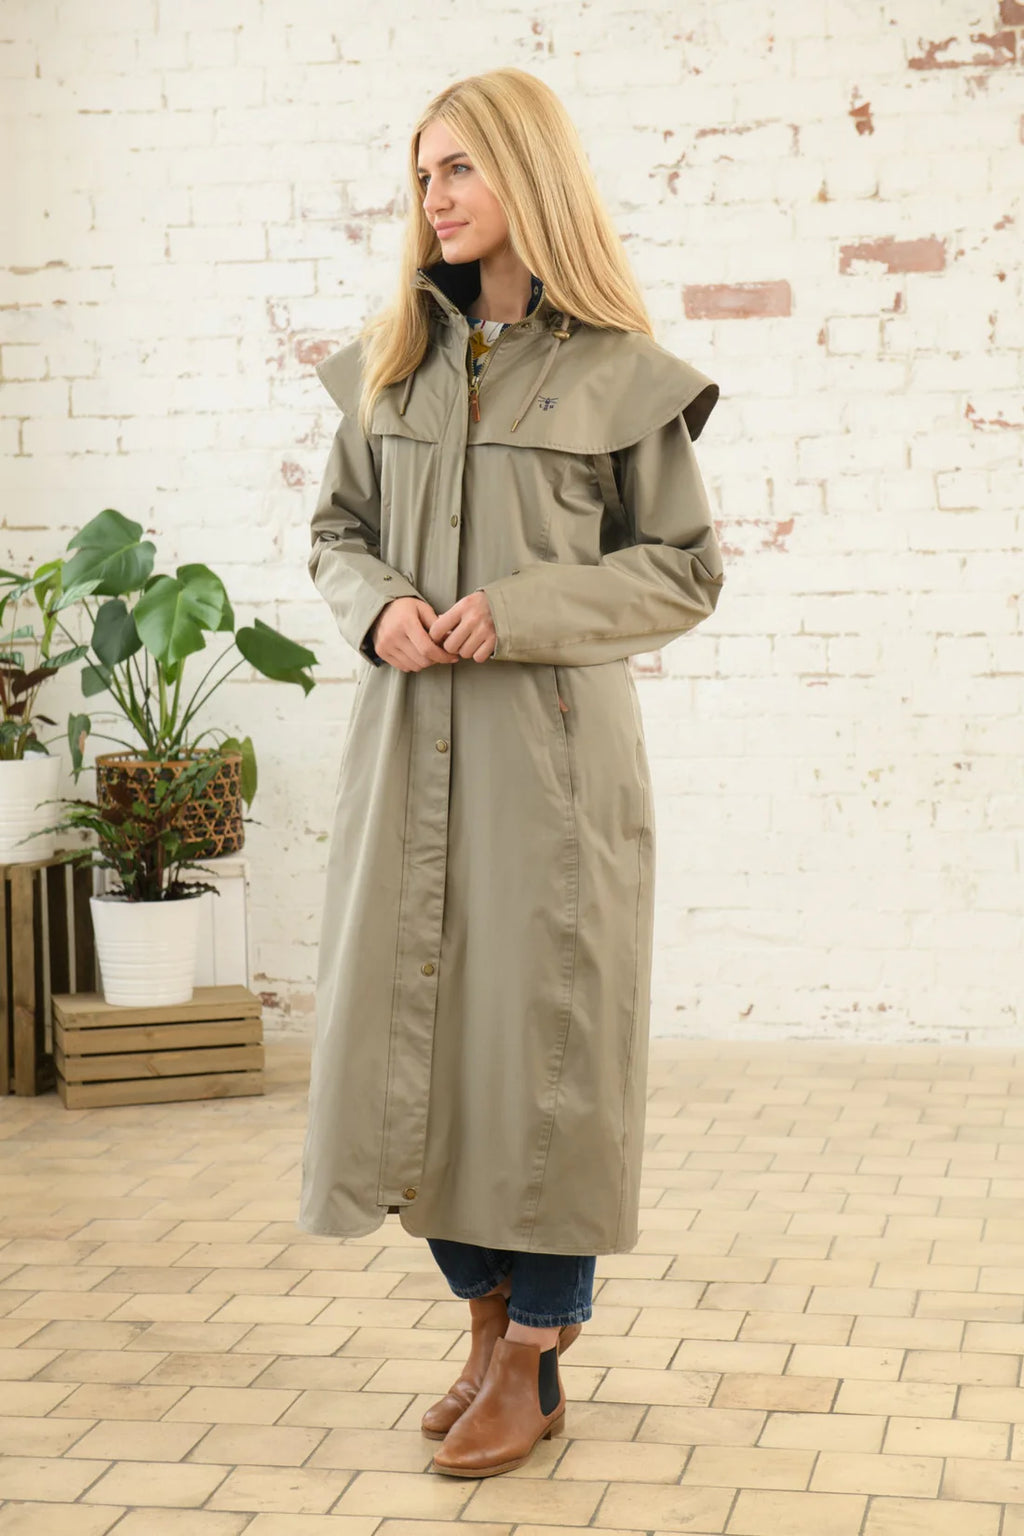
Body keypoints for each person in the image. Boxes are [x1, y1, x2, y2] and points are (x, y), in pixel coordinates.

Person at [298, 66, 724, 1479]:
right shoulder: (392, 365)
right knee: (411, 1051)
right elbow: (336, 529)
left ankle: (537, 1353)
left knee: (543, 1057)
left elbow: (682, 570)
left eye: (461, 170)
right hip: (409, 746)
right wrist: (377, 607)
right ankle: (482, 1327)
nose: (436, 199)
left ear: (528, 178)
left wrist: (523, 608)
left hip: (548, 768)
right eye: (423, 175)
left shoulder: (618, 374)